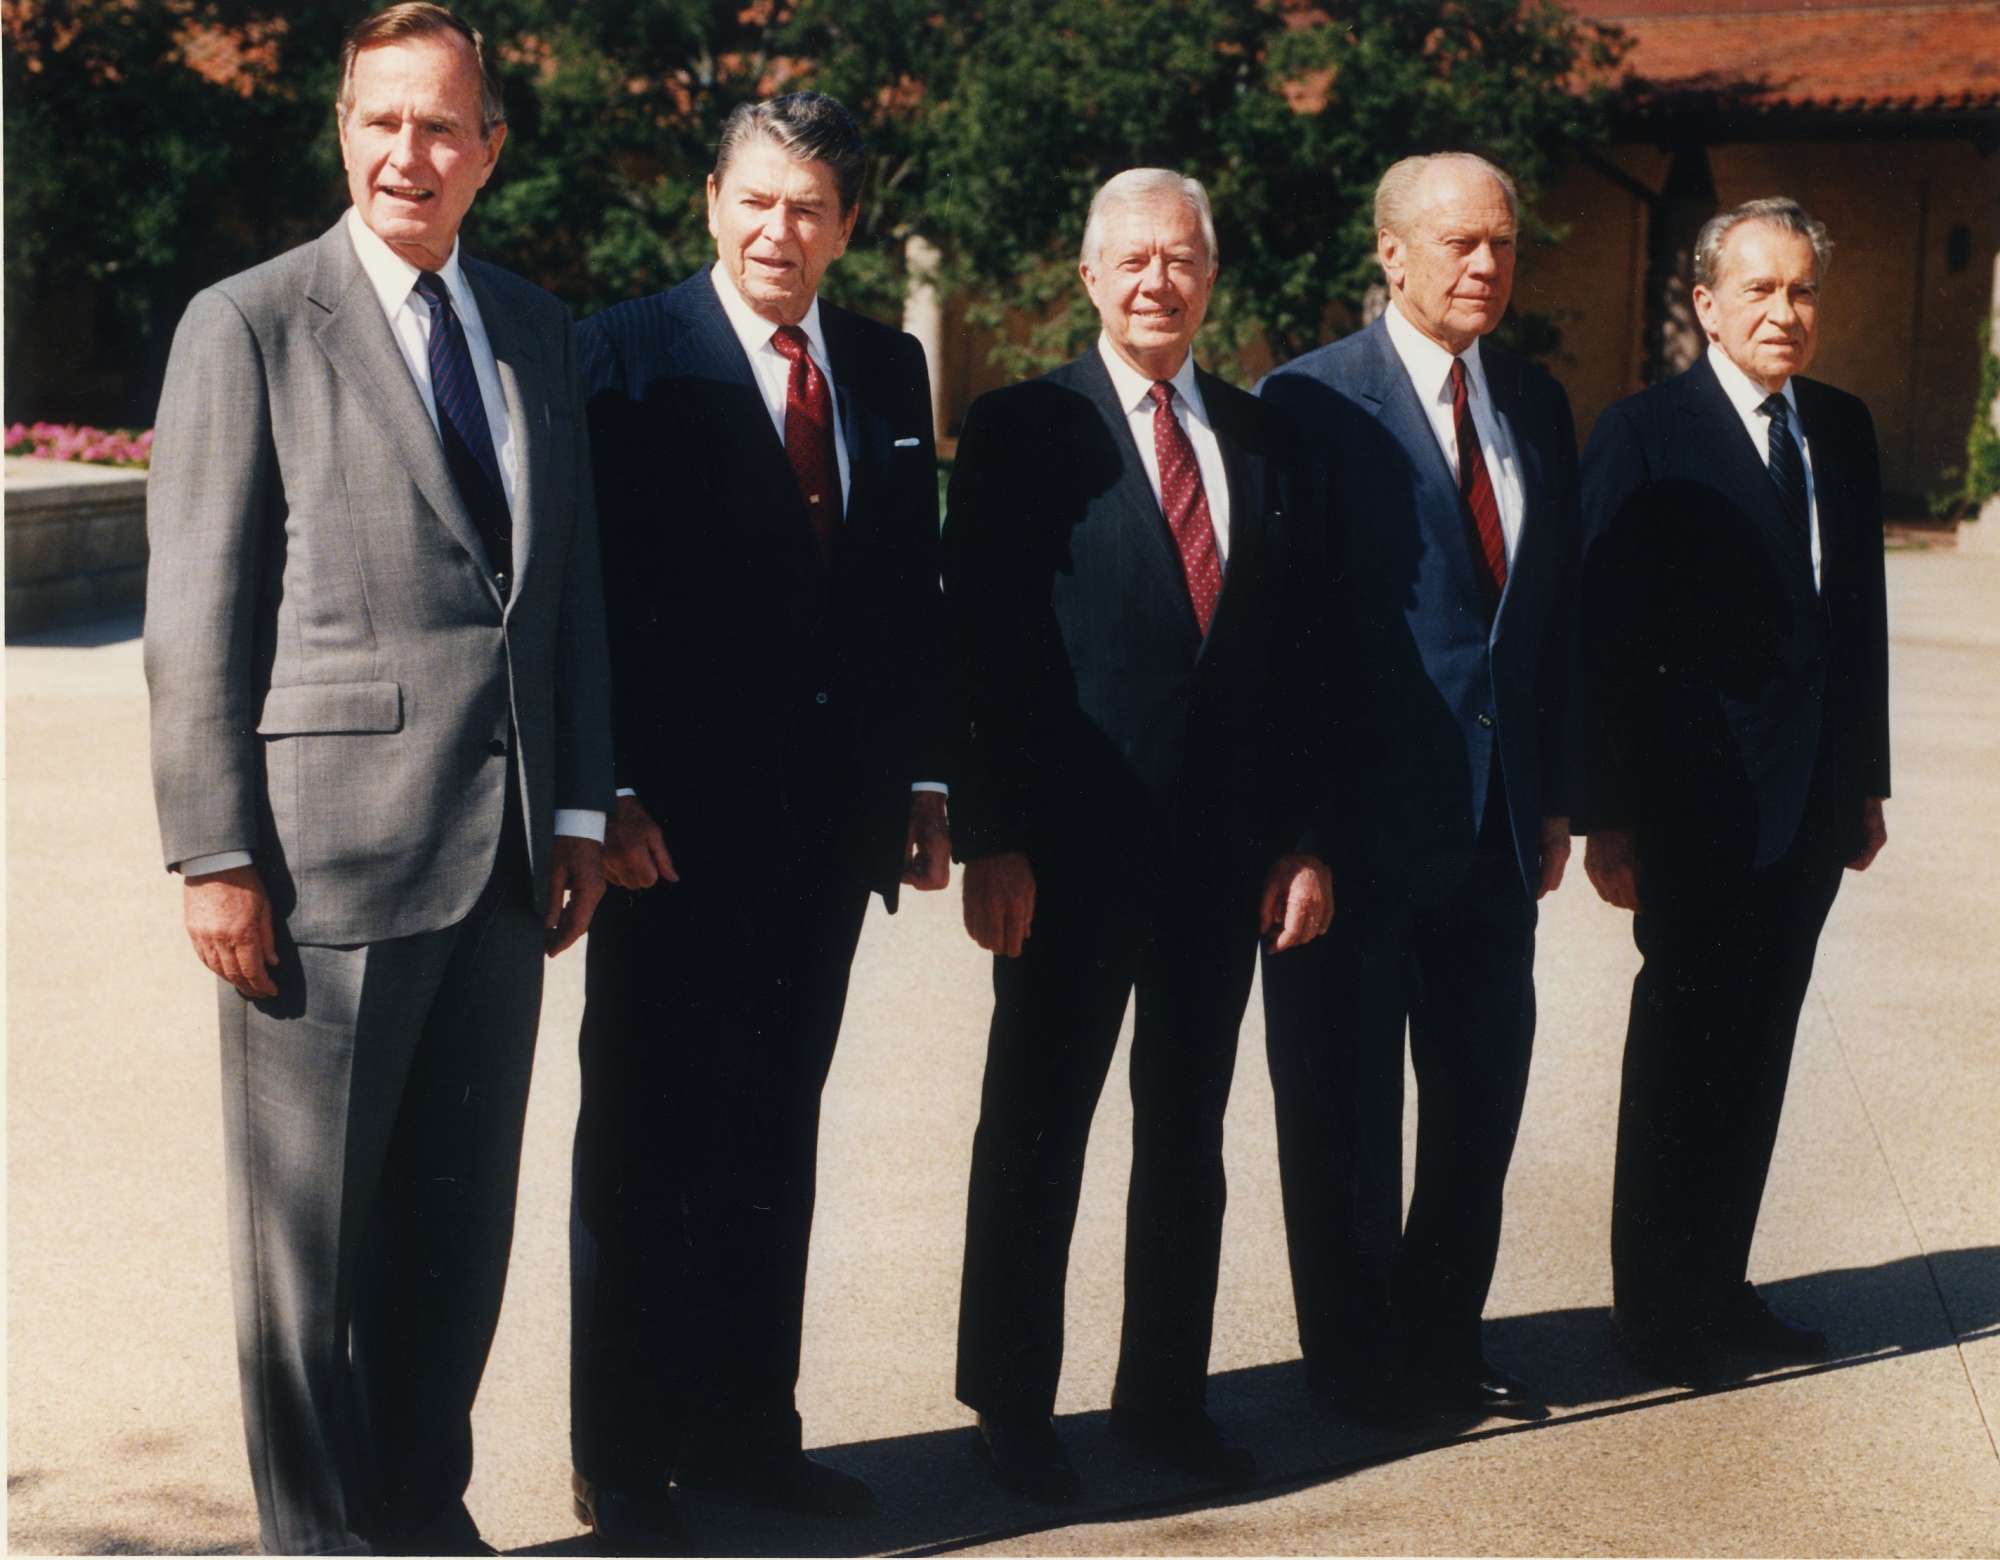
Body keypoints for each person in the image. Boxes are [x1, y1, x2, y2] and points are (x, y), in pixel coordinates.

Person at [143, 6, 613, 1552]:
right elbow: (196, 611)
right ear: (342, 131)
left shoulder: (538, 330)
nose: (407, 152)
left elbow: (567, 598)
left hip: (500, 866)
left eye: (440, 125)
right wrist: (214, 850)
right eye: (379, 120)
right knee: (314, 1257)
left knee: (454, 1237)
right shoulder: (253, 323)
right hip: (322, 865)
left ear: (489, 148)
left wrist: (581, 808)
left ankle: (425, 1518)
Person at [566, 92, 950, 1549]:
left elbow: (904, 588)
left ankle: (747, 1437)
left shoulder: (883, 364)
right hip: (669, 835)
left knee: (772, 1139)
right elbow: (581, 601)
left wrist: (918, 780)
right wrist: (607, 793)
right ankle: (627, 1460)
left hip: (828, 832)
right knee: (647, 1143)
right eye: (759, 200)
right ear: (711, 202)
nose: (781, 230)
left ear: (846, 225)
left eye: (813, 208)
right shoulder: (619, 354)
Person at [945, 168, 1333, 1503]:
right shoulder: (1020, 427)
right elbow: (983, 645)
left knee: (1189, 1132)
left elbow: (1291, 661)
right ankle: (1009, 1408)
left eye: (1182, 259)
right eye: (1133, 259)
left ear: (1209, 278)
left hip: (1221, 857)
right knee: (1038, 1124)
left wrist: (1298, 840)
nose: (1158, 281)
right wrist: (992, 837)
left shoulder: (1264, 437)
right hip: (1066, 851)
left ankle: (1165, 1400)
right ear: (1089, 275)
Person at [1256, 152, 1581, 1428]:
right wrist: (1293, 837)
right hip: (1352, 840)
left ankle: (1443, 1344)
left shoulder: (1535, 402)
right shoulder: (1305, 402)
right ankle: (1350, 1367)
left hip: (1496, 831)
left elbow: (1546, 622)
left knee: (1473, 1108)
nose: (1482, 266)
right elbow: (1275, 643)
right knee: (1339, 1118)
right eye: (1454, 244)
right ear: (1387, 252)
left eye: (1499, 241)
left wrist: (1552, 795)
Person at [1579, 197, 1889, 1388]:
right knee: (1680, 1047)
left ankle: (1718, 1281)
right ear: (1703, 305)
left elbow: (1851, 624)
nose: (1783, 312)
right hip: (1689, 809)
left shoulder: (1843, 431)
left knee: (1758, 1047)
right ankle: (1649, 1307)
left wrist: (1862, 784)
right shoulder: (1642, 432)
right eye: (1757, 290)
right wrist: (1607, 811)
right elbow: (1601, 640)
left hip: (1808, 804)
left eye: (1801, 290)